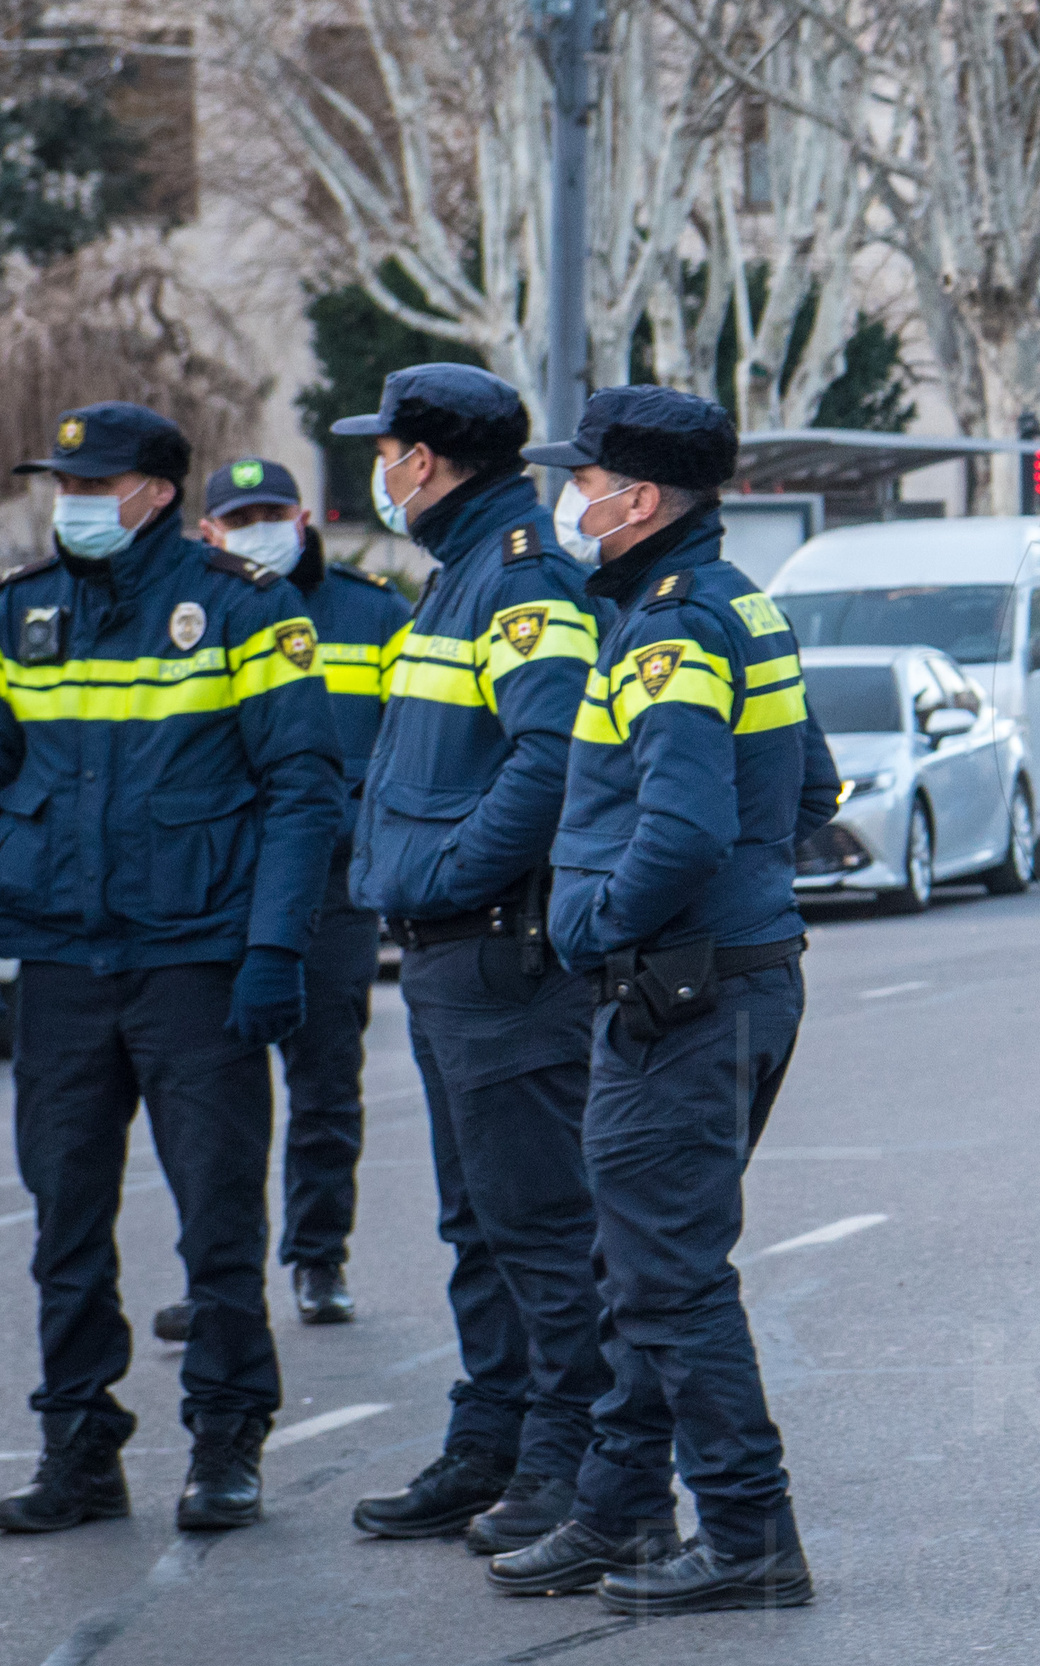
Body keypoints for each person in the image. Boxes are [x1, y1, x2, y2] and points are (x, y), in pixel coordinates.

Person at [481, 387, 837, 1612]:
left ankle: (748, 1533)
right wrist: (748, 894)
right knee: (640, 1261)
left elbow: (681, 827)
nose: (569, 499)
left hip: (677, 992)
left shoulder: (666, 632)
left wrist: (589, 923)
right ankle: (622, 1510)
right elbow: (811, 785)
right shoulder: (732, 603)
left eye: (582, 481)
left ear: (637, 499)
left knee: (669, 1278)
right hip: (730, 977)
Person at [0, 405, 342, 1535]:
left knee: (216, 1223)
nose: (72, 500)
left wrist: (275, 947)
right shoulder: (24, 611)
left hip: (196, 961)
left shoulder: (245, 608)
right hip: (58, 961)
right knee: (63, 1222)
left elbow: (302, 790)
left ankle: (226, 1442)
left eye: (93, 482)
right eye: (63, 481)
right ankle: (79, 1449)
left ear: (154, 490)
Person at [330, 366, 614, 1555]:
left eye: (385, 448)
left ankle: (564, 1465)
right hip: (454, 959)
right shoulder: (464, 573)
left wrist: (453, 877)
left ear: (428, 460)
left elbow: (550, 758)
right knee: (478, 1222)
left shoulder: (522, 579)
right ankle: (489, 1438)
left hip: (497, 955)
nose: (376, 468)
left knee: (538, 1227)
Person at [147, 459, 410, 1344]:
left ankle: (317, 1255)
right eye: (240, 515)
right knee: (204, 1099)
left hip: (329, 884)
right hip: (218, 880)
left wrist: (347, 812)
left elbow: (412, 745)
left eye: (273, 511)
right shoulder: (189, 612)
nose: (259, 525)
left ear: (302, 517)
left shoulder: (374, 611)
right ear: (209, 531)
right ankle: (215, 1276)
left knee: (324, 1080)